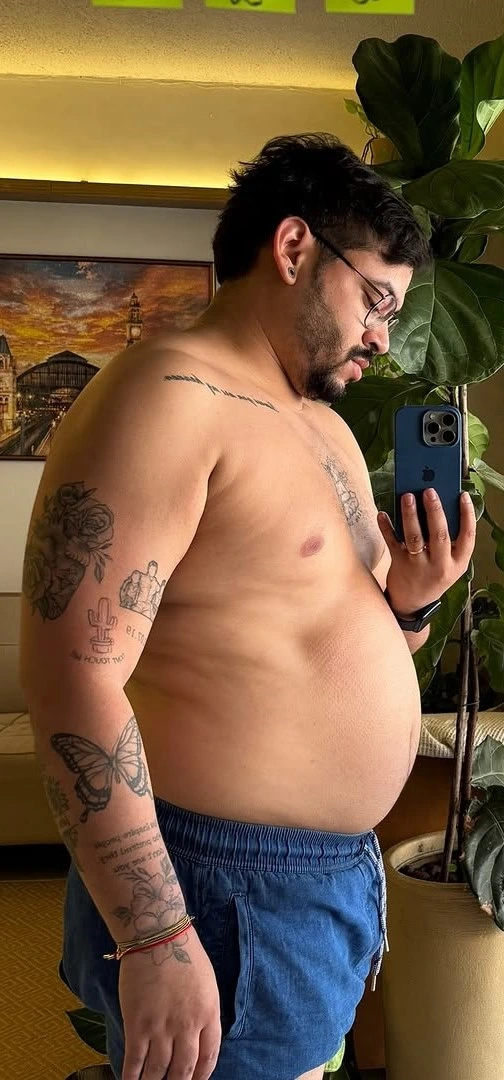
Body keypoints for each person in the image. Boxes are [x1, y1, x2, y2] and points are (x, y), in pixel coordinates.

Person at [19, 133, 476, 1080]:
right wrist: (154, 935)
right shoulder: (169, 397)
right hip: (219, 886)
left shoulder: (320, 425)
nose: (383, 336)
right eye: (376, 300)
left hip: (319, 881)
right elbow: (70, 678)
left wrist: (409, 605)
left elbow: (302, 644)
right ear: (296, 247)